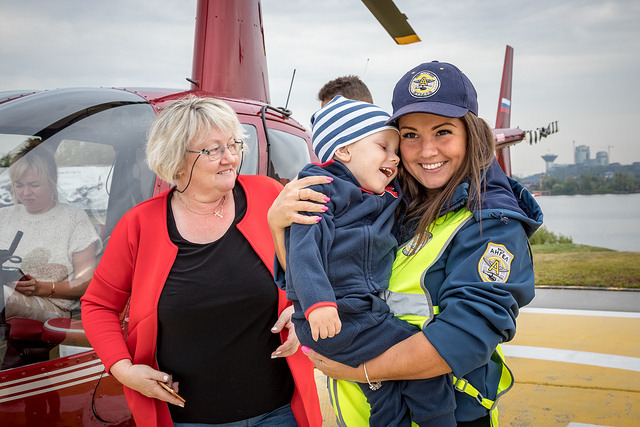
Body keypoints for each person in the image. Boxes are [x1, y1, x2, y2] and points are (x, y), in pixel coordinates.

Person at [268, 61, 543, 426]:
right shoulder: (397, 201)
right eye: (410, 135)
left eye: (443, 132)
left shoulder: (493, 223)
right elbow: (340, 262)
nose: (425, 151)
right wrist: (280, 233)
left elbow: (465, 336)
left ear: (471, 134)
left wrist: (360, 371)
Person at [80, 96, 322, 427]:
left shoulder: (267, 195)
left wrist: (301, 307)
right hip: (187, 418)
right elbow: (98, 306)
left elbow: (314, 265)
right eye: (212, 150)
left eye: (233, 145)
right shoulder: (140, 225)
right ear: (176, 161)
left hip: (279, 413)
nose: (230, 158)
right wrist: (123, 369)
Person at [278, 95, 456, 426]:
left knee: (384, 389)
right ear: (344, 151)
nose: (395, 159)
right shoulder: (319, 191)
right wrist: (319, 303)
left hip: (364, 312)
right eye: (383, 147)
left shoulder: (383, 192)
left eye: (396, 152)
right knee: (423, 359)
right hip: (337, 317)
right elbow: (304, 252)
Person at [0, 142, 101, 323]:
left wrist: (40, 288)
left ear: (53, 179)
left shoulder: (74, 219)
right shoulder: (3, 215)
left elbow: (87, 282)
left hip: (53, 307)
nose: (26, 192)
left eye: (34, 185)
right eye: (19, 185)